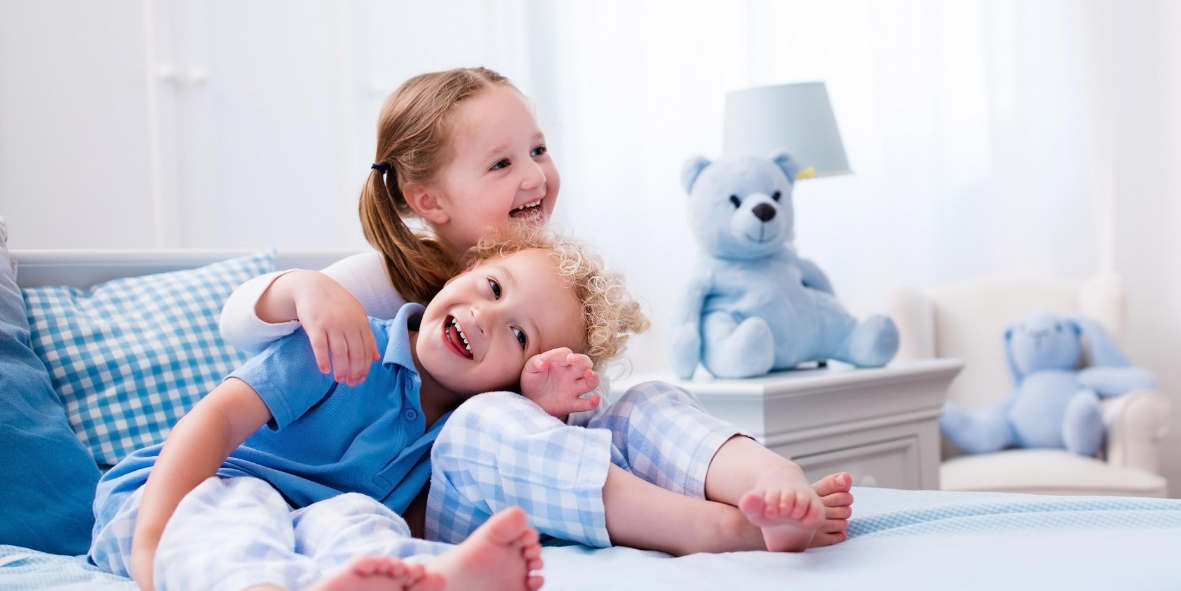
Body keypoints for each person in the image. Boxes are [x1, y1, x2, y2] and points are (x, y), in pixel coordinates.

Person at [218, 67, 853, 555]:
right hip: (445, 498)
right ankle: (713, 528)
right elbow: (242, 330)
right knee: (485, 421)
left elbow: (574, 422)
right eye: (502, 163)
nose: (534, 176)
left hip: (536, 474)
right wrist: (301, 287)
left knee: (642, 402)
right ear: (430, 200)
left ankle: (765, 480)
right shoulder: (385, 282)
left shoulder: (543, 271)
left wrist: (558, 399)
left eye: (539, 150)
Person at [89, 229, 648, 591]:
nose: (485, 317)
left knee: (360, 521)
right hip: (176, 493)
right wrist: (152, 536)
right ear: (464, 270)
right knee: (243, 513)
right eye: (493, 287)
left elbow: (426, 515)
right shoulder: (350, 342)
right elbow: (215, 420)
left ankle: (418, 578)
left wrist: (540, 413)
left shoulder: (461, 435)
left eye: (520, 336)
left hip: (299, 523)